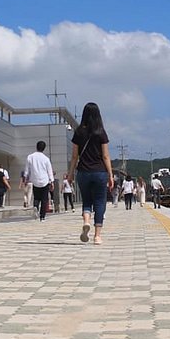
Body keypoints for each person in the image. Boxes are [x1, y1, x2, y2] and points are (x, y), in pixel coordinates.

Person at [70, 102, 112, 245]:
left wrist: (70, 174)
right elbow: (106, 156)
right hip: (100, 172)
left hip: (83, 172)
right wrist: (111, 175)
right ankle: (97, 236)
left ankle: (86, 221)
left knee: (87, 200)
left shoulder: (78, 132)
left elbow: (74, 156)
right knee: (100, 202)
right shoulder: (101, 132)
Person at [25, 140, 56, 221]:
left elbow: (27, 169)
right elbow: (49, 171)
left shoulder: (30, 157)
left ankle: (35, 206)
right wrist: (52, 181)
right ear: (44, 148)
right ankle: (42, 217)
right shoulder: (46, 159)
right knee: (44, 199)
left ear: (36, 147)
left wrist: (26, 178)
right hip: (44, 181)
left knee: (36, 197)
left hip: (34, 180)